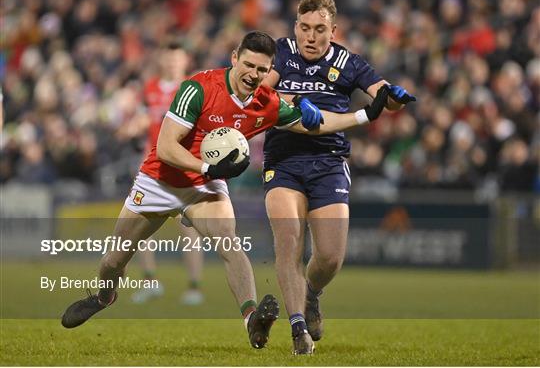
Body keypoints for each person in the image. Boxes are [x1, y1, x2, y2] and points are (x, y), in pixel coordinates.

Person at [60, 31, 390, 350]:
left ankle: (251, 320)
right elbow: (164, 147)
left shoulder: (266, 103)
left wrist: (363, 115)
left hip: (205, 186)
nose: (254, 74)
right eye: (248, 65)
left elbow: (312, 124)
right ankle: (104, 297)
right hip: (160, 180)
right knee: (113, 262)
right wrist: (207, 167)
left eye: (262, 69)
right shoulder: (199, 88)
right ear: (235, 59)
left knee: (229, 244)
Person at [261, 0, 416, 354]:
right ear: (295, 26)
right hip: (284, 160)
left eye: (319, 29)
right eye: (304, 28)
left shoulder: (350, 62)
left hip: (329, 164)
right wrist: (293, 102)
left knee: (330, 257)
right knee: (288, 243)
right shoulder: (281, 53)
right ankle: (298, 328)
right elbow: (259, 93)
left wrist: (393, 96)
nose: (310, 37)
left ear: (334, 30)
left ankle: (312, 294)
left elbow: (382, 97)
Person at [132, 40, 204, 306]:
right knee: (139, 225)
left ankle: (194, 286)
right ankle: (150, 281)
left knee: (188, 228)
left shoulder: (192, 88)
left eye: (178, 58)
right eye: (169, 58)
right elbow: (142, 120)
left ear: (185, 61)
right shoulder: (148, 88)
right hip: (154, 167)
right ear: (162, 59)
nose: (173, 63)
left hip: (183, 166)